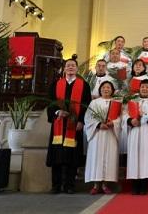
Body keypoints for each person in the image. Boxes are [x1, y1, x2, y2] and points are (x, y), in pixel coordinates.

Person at [46, 58, 91, 194]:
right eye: (68, 66)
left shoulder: (84, 86)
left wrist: (81, 121)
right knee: (57, 155)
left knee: (72, 156)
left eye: (73, 66)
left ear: (77, 69)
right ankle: (56, 185)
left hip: (74, 124)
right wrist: (57, 111)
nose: (70, 67)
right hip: (59, 123)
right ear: (64, 69)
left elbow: (86, 105)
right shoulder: (56, 84)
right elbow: (50, 102)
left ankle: (70, 185)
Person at [84, 80, 121, 194]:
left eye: (108, 87)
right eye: (104, 87)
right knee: (96, 157)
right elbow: (88, 118)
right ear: (100, 89)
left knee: (109, 157)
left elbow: (121, 118)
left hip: (110, 133)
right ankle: (95, 185)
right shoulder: (94, 103)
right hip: (97, 134)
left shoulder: (116, 103)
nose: (106, 89)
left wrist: (113, 123)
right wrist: (99, 124)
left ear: (112, 90)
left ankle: (105, 185)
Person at [125, 79, 148, 195]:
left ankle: (144, 185)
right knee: (135, 157)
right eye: (142, 87)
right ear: (139, 88)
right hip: (135, 131)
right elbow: (124, 114)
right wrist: (131, 120)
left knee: (146, 158)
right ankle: (135, 185)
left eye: (147, 87)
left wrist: (146, 116)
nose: (144, 89)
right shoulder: (132, 100)